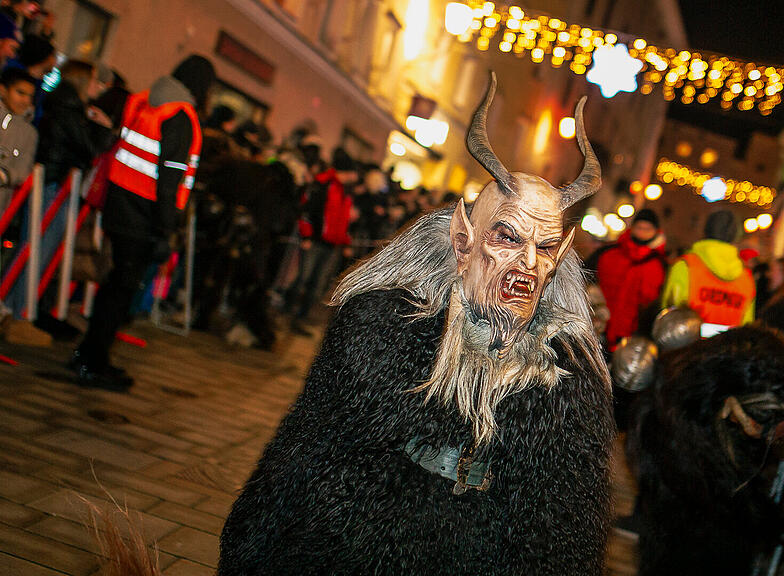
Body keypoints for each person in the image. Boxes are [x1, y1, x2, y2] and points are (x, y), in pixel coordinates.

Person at [219, 75, 613, 574]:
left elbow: (566, 524)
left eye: (546, 248)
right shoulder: (381, 329)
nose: (528, 264)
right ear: (463, 239)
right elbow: (309, 447)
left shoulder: (569, 381)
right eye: (509, 238)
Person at [72, 55, 214, 390]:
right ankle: (93, 361)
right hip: (143, 216)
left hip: (119, 202)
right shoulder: (180, 116)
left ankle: (88, 353)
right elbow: (169, 180)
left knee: (114, 285)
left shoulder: (145, 100)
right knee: (121, 290)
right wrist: (166, 230)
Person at [4, 59, 110, 325]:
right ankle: (15, 311)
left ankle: (16, 310)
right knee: (36, 249)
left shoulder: (69, 107)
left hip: (57, 182)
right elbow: (90, 147)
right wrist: (104, 128)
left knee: (39, 249)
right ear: (82, 81)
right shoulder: (68, 109)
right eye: (96, 79)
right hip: (53, 184)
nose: (100, 86)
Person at [285, 147, 358, 333]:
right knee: (303, 278)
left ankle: (300, 317)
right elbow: (307, 211)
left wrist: (345, 241)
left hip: (331, 244)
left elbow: (342, 220)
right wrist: (307, 235)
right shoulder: (323, 185)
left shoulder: (344, 190)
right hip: (315, 241)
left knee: (316, 283)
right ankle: (288, 315)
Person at [661, 209, 755, 334]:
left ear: (705, 231)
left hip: (687, 347)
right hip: (725, 350)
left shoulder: (686, 265)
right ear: (735, 236)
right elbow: (746, 325)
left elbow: (670, 314)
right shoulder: (746, 278)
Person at [594, 208, 666, 348]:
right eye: (639, 227)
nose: (642, 232)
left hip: (632, 338)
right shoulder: (608, 253)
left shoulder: (660, 264)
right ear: (632, 228)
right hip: (598, 328)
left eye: (647, 228)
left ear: (656, 231)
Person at [0, 65, 35, 213]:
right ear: (3, 90)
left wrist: (4, 175)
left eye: (30, 96)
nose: (26, 100)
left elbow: (24, 169)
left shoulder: (29, 132)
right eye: (20, 93)